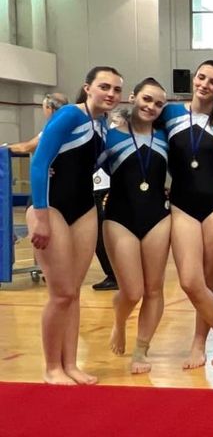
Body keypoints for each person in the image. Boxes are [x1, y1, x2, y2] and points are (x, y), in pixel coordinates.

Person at [28, 67, 122, 385]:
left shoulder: (103, 124)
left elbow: (95, 164)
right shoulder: (70, 114)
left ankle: (70, 364)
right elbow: (39, 162)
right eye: (104, 86)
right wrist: (41, 216)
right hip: (52, 207)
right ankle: (51, 367)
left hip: (84, 207)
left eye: (116, 89)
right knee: (61, 293)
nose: (111, 93)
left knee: (74, 294)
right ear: (88, 88)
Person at [160, 59, 213, 368]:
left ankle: (200, 342)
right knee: (190, 281)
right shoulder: (169, 114)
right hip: (182, 204)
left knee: (208, 276)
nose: (205, 84)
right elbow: (138, 135)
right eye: (202, 77)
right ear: (194, 78)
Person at [102, 78, 170, 374]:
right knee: (132, 291)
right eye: (147, 99)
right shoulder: (109, 138)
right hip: (119, 217)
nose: (151, 106)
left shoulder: (166, 138)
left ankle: (141, 350)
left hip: (158, 218)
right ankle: (119, 322)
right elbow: (80, 165)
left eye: (158, 104)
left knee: (154, 289)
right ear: (132, 98)